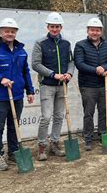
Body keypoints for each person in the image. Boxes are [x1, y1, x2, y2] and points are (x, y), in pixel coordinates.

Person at [0, 18, 35, 171]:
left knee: (14, 126)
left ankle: (13, 152)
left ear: (16, 32)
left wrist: (29, 90)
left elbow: (25, 72)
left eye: (13, 31)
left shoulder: (21, 51)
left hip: (17, 96)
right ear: (0, 32)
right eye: (6, 31)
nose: (10, 33)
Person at [32, 12, 75, 161]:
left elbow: (71, 61)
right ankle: (42, 147)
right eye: (52, 26)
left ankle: (55, 144)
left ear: (61, 27)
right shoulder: (40, 43)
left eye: (57, 27)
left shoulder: (66, 44)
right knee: (46, 117)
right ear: (48, 27)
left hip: (62, 85)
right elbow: (36, 64)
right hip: (47, 85)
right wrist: (52, 74)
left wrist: (69, 74)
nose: (55, 29)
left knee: (59, 116)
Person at [74, 17, 107, 151]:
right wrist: (97, 70)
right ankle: (88, 138)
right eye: (92, 30)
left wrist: (104, 68)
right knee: (88, 113)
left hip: (104, 85)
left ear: (101, 31)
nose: (95, 33)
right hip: (88, 85)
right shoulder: (80, 45)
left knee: (104, 111)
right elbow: (79, 64)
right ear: (88, 31)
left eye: (97, 30)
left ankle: (103, 134)